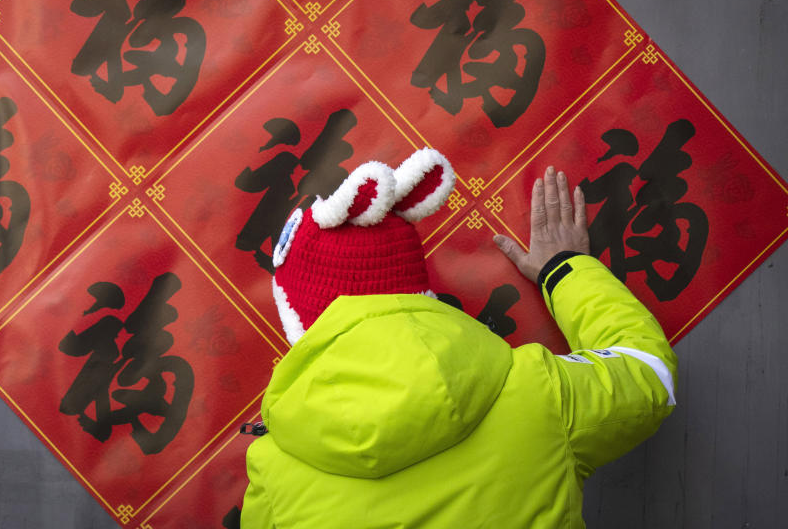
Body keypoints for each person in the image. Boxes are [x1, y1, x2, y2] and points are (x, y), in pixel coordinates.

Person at [240, 148, 677, 528]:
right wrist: (565, 270)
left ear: (299, 319)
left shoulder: (275, 467)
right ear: (418, 292)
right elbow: (649, 374)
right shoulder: (536, 391)